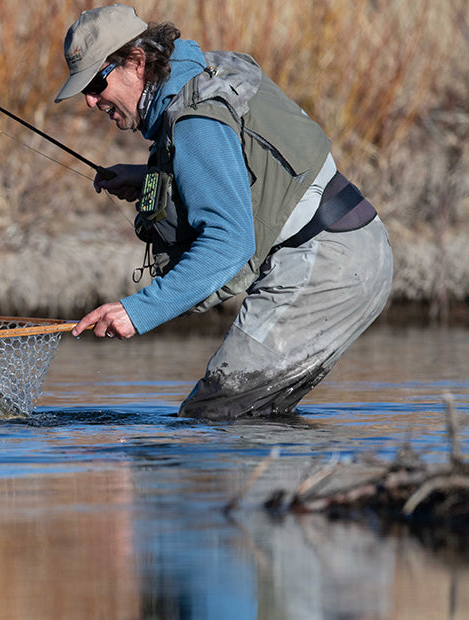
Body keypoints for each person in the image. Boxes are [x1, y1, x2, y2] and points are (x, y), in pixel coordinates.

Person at [58, 5, 393, 420]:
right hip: (353, 252)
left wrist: (137, 311)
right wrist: (149, 174)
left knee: (214, 415)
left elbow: (229, 243)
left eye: (95, 82)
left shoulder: (196, 117)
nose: (90, 100)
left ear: (137, 62)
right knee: (255, 418)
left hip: (325, 267)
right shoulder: (202, 72)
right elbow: (240, 168)